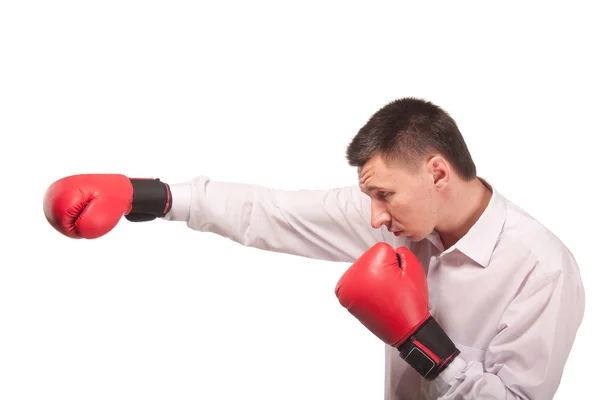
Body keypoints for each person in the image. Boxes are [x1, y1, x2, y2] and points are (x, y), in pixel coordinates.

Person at [43, 97, 585, 399]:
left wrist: (421, 340)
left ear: (437, 172)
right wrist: (150, 196)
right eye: (368, 197)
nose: (373, 216)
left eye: (383, 195)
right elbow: (270, 212)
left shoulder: (542, 270)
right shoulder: (398, 222)